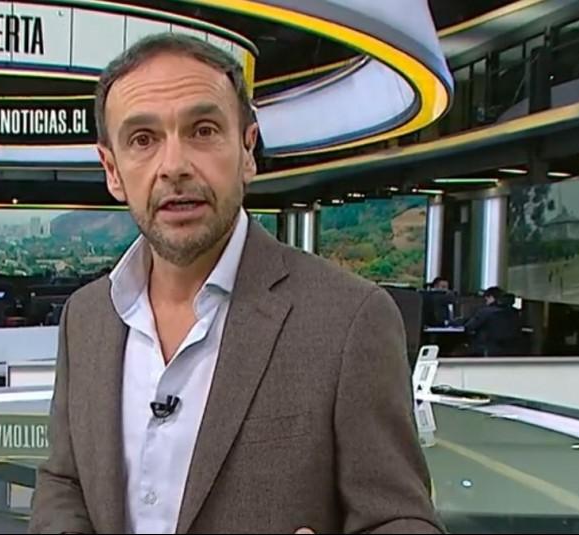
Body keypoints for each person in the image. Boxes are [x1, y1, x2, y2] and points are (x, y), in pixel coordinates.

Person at [29, 34, 441, 535]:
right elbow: (64, 480)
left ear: (247, 151)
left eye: (203, 131)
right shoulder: (87, 317)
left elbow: (401, 518)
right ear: (112, 170)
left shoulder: (350, 320)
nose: (174, 166)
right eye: (143, 139)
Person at [463, 287, 525, 356]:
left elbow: (469, 326)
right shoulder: (515, 313)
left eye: (486, 298)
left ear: (491, 297)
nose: (485, 301)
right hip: (511, 351)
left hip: (488, 350)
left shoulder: (485, 312)